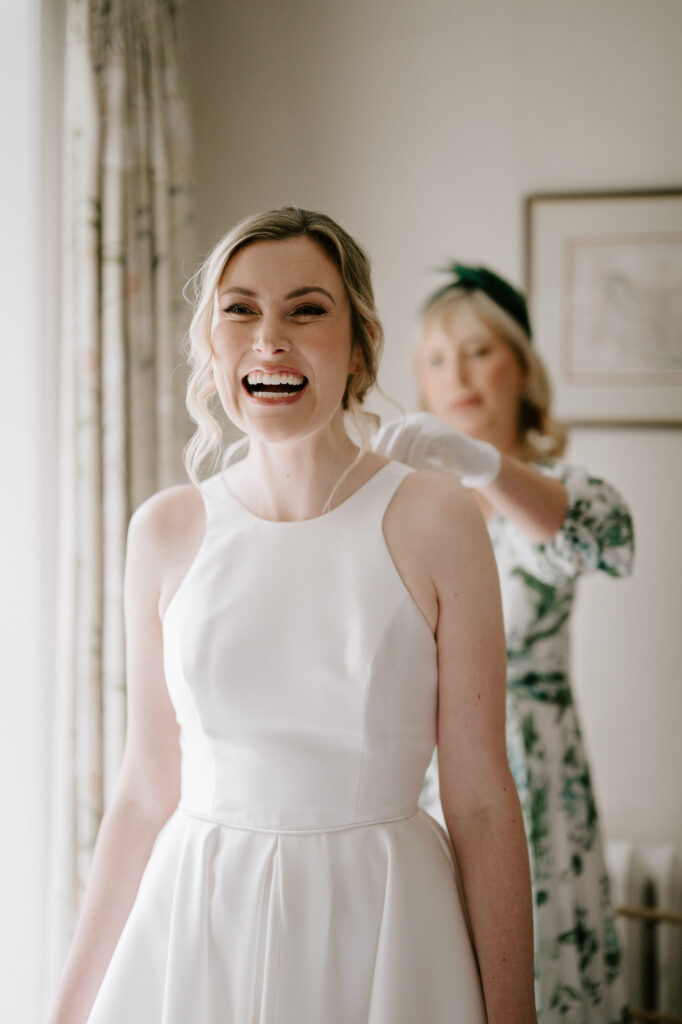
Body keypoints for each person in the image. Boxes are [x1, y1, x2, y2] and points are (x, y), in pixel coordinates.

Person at [48, 213, 536, 1024]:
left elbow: (482, 800)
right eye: (240, 311)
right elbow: (142, 790)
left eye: (305, 310)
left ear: (359, 345)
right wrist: (65, 1009)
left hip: (385, 920)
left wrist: (513, 1014)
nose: (269, 339)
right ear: (212, 346)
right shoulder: (163, 530)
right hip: (201, 920)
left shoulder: (439, 518)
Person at [372, 263, 634, 1023]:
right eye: (436, 359)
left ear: (522, 363)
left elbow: (608, 538)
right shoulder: (413, 507)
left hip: (531, 786)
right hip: (418, 781)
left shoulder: (557, 493)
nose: (458, 376)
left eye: (480, 351)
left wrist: (483, 465)